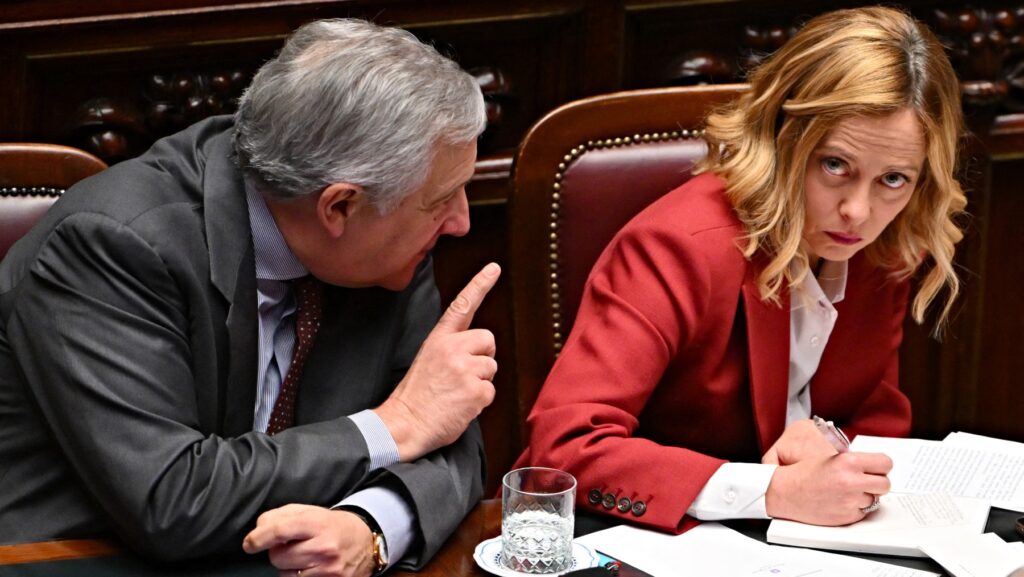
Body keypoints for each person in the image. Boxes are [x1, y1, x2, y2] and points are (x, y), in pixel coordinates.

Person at [0, 17, 499, 576]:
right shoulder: (115, 245)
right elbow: (173, 500)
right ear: (339, 206)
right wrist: (393, 426)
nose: (460, 222)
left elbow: (447, 434)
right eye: (443, 200)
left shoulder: (387, 247)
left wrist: (371, 523)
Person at [515, 6, 966, 533]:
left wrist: (828, 442)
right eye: (834, 165)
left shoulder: (886, 244)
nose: (858, 212)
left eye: (893, 178)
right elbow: (562, 452)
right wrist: (767, 490)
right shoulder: (676, 247)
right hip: (651, 542)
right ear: (780, 137)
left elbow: (874, 419)